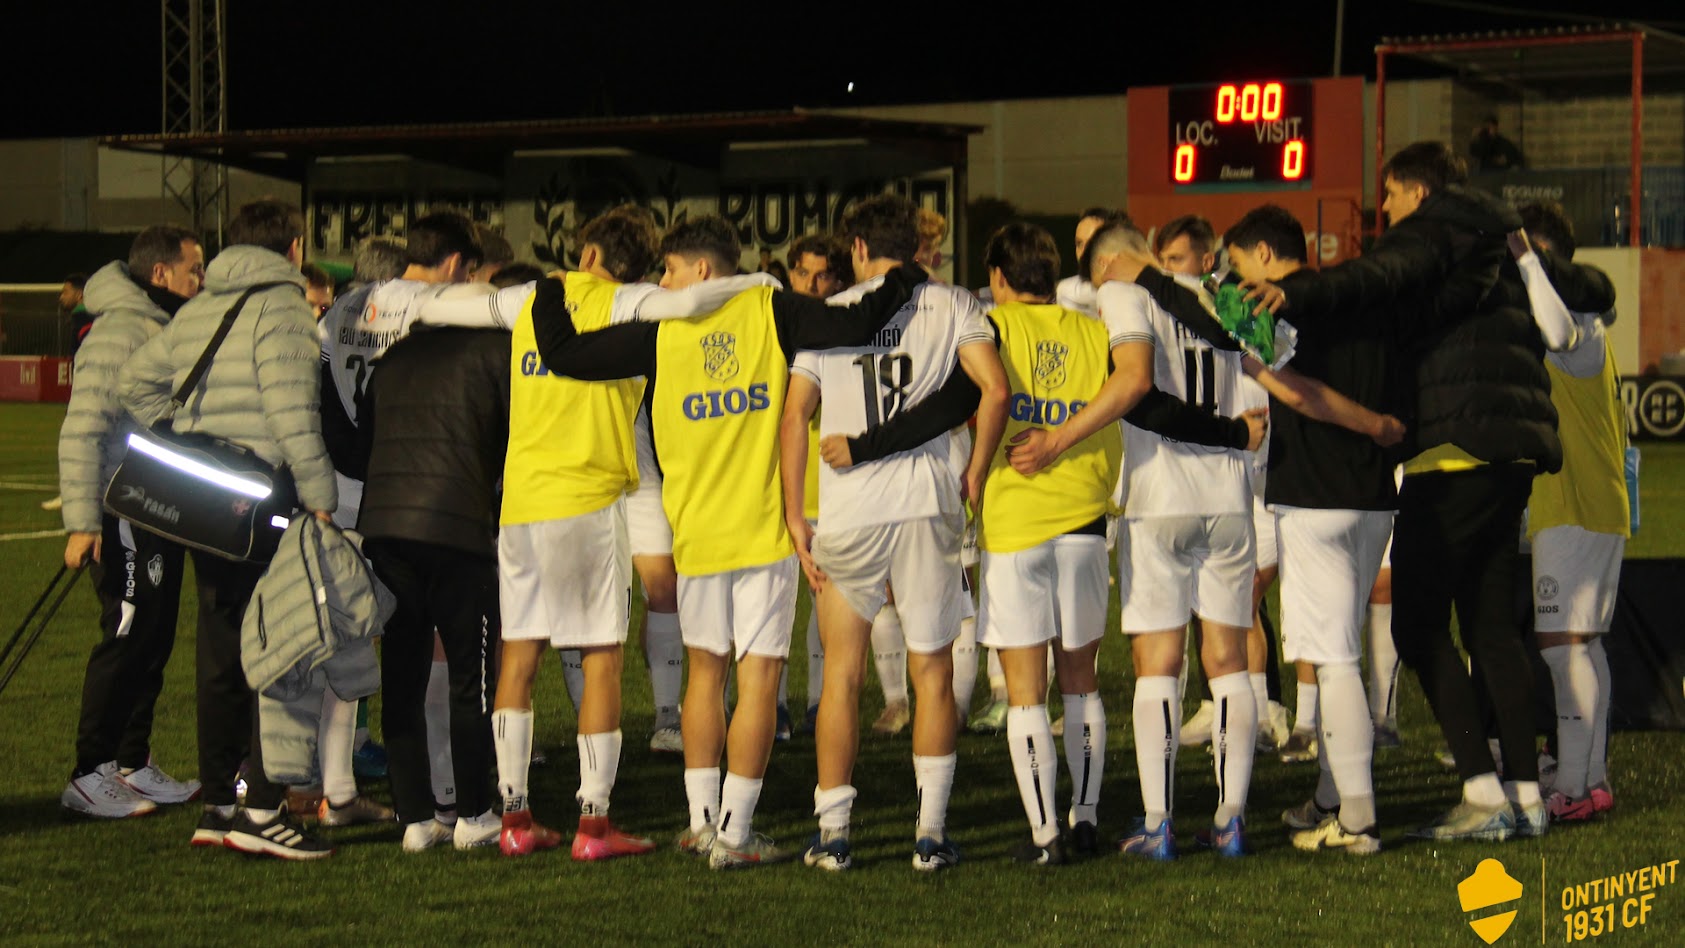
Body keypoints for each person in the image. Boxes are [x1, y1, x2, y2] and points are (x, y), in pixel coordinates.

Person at [526, 215, 927, 869]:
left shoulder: (665, 330)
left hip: (697, 532)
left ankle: (700, 821)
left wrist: (545, 292)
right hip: (765, 530)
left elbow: (565, 356)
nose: (662, 282)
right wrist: (905, 272)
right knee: (758, 678)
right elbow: (854, 326)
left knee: (705, 674)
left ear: (701, 270)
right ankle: (735, 835)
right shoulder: (774, 311)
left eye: (670, 270)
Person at [1248, 141, 1560, 840]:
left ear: (1416, 193)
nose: (1381, 209)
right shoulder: (1495, 238)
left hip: (1453, 449)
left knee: (1417, 627)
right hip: (1515, 448)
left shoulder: (1435, 232)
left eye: (1387, 196)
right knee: (1488, 628)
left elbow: (1377, 276)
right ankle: (1524, 798)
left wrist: (1295, 291)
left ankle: (1481, 797)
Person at [466, 209, 779, 859]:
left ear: (585, 252)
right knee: (601, 657)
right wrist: (757, 284)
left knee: (517, 658)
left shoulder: (529, 302)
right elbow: (698, 297)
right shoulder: (636, 305)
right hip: (584, 497)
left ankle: (514, 818)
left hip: (519, 501)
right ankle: (593, 824)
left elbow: (448, 307)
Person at [1016, 220, 1266, 860]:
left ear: (1107, 268)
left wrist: (1057, 438)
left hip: (1161, 497)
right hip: (1232, 499)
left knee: (1159, 665)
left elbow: (1133, 384)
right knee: (1228, 662)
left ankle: (1159, 824)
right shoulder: (1220, 295)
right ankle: (1230, 818)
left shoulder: (1124, 295)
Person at [780, 195, 1007, 872]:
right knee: (931, 669)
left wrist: (794, 514)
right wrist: (977, 473)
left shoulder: (833, 314)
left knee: (841, 674)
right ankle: (929, 835)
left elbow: (796, 416)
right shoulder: (953, 304)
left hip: (848, 511)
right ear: (917, 245)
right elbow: (993, 392)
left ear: (856, 248)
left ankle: (834, 835)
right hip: (925, 504)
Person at [119, 198, 338, 860]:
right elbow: (292, 410)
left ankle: (219, 803)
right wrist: (320, 496)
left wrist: (189, 442)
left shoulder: (205, 305)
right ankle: (264, 809)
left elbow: (135, 383)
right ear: (293, 250)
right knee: (280, 648)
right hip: (262, 498)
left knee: (219, 650)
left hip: (208, 504)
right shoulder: (284, 309)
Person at [1222, 205, 1400, 855]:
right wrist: (1379, 431)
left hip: (1317, 495)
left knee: (1331, 658)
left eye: (1240, 264)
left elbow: (1304, 395)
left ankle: (1357, 816)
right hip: (1373, 496)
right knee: (1339, 648)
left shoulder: (1280, 308)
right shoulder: (1359, 300)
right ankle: (1330, 791)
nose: (1237, 279)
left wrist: (1257, 370)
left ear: (1265, 255)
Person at [972, 222, 1137, 864]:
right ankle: (1088, 819)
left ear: (1001, 279)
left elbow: (979, 402)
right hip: (1085, 519)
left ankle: (1045, 835)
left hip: (1016, 522)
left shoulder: (989, 328)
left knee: (1023, 689)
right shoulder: (1095, 332)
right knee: (1080, 681)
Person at [316, 211, 485, 833]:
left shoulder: (341, 311)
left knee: (352, 643)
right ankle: (448, 792)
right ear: (456, 263)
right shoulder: (442, 306)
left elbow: (327, 397)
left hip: (343, 489)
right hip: (411, 491)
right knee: (436, 647)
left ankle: (337, 787)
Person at [57, 226, 204, 818]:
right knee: (126, 629)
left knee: (153, 633)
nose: (202, 280)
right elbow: (83, 427)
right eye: (194, 269)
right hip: (120, 508)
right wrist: (81, 521)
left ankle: (130, 762)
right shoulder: (121, 330)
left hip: (156, 509)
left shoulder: (160, 325)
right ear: (161, 274)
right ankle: (89, 771)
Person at [356, 318, 510, 853]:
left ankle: (416, 818)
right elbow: (514, 438)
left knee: (402, 675)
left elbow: (362, 442)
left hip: (387, 528)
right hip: (456, 529)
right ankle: (472, 812)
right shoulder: (494, 350)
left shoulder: (392, 359)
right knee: (472, 676)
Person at [1510, 201, 1623, 822]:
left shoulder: (1574, 317)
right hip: (1594, 501)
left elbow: (1557, 334)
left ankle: (1574, 789)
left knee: (1561, 647)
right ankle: (1592, 777)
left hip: (1575, 500)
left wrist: (1526, 260)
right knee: (1585, 645)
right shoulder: (1590, 317)